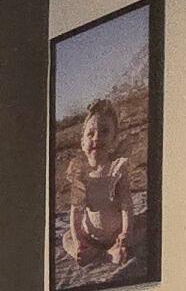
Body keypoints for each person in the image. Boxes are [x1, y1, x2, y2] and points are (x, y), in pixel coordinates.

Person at [59, 99, 138, 278]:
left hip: (116, 233)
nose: (96, 138)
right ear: (82, 142)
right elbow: (76, 212)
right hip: (90, 237)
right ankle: (93, 252)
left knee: (144, 225)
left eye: (104, 132)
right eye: (91, 133)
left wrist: (126, 232)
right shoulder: (80, 172)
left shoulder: (117, 168)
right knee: (66, 238)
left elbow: (126, 204)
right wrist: (79, 241)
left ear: (114, 139)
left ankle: (114, 249)